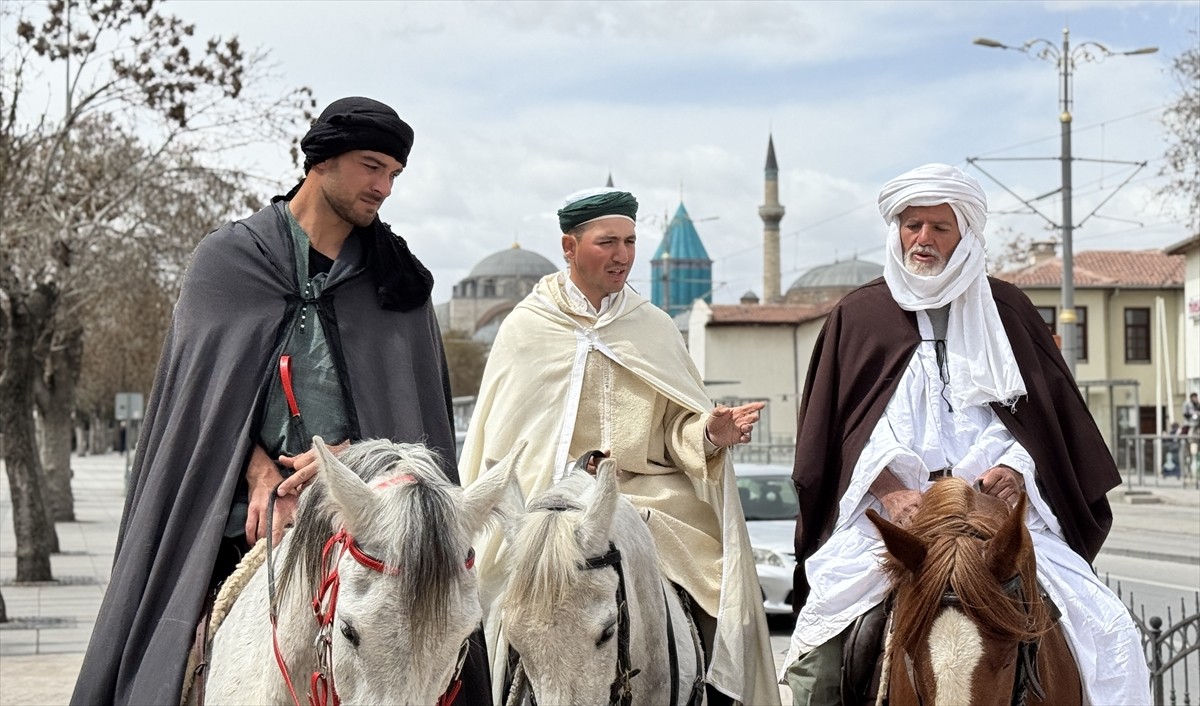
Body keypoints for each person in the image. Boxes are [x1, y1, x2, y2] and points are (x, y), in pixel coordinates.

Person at [72, 97, 492, 705]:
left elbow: (415, 425)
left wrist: (355, 461)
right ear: (319, 161)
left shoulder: (397, 285)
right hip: (236, 508)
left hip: (371, 515)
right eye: (371, 167)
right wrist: (257, 468)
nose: (384, 188)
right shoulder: (227, 263)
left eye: (394, 175)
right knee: (167, 661)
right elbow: (198, 411)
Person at [781, 164, 1150, 706]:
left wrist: (1016, 471)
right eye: (913, 226)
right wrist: (888, 490)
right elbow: (838, 433)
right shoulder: (859, 316)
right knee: (820, 657)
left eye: (939, 227)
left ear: (965, 235)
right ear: (897, 230)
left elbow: (1045, 425)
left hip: (995, 519)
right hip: (894, 520)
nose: (923, 239)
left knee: (1111, 634)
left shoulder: (1009, 311)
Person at [459, 187, 781, 706]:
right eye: (608, 242)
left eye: (631, 241)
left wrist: (709, 434)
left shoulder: (651, 326)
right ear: (570, 246)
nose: (624, 255)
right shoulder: (525, 327)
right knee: (484, 612)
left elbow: (673, 431)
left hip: (649, 501)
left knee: (725, 599)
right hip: (545, 506)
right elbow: (501, 443)